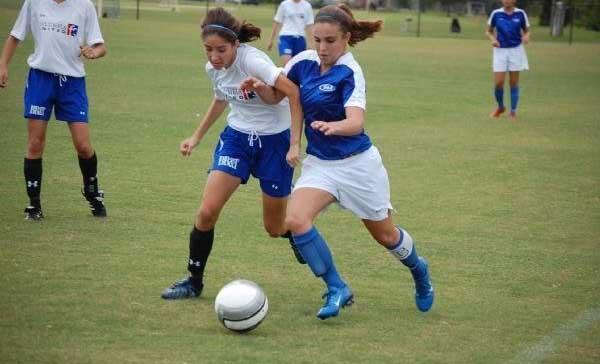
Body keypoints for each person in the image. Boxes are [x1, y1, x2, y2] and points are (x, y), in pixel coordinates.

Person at [248, 4, 434, 320]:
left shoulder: (350, 71)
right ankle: (337, 287)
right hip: (320, 165)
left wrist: (334, 127)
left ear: (346, 38)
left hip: (358, 165)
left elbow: (356, 122)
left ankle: (419, 269)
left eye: (329, 41)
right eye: (317, 39)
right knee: (295, 220)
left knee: (386, 237)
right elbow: (276, 96)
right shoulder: (303, 61)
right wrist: (256, 89)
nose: (321, 48)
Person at [161, 7, 304, 300]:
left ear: (236, 44)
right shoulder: (212, 69)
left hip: (274, 142)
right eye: (208, 50)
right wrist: (196, 136)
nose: (214, 57)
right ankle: (193, 281)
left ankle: (298, 234)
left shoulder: (255, 61)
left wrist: (293, 142)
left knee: (274, 227)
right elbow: (221, 99)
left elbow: (293, 93)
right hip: (237, 140)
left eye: (221, 50)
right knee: (207, 211)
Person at [0, 0, 108, 220]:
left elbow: (101, 46)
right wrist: (2, 65)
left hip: (73, 83)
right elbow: (15, 35)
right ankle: (34, 204)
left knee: (83, 145)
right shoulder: (34, 2)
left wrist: (93, 53)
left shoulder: (84, 6)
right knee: (35, 142)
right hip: (41, 79)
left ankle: (92, 191)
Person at [486, 0, 530, 119]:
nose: (507, 1)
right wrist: (493, 39)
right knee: (499, 83)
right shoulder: (496, 13)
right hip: (500, 51)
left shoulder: (521, 13)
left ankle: (513, 112)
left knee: (513, 83)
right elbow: (488, 31)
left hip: (516, 50)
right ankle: (500, 107)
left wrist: (526, 37)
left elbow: (527, 31)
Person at [267, 0, 314, 65]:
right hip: (285, 37)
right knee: (288, 64)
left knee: (297, 67)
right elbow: (277, 22)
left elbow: (310, 26)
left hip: (300, 39)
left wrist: (311, 44)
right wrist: (271, 40)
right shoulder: (284, 4)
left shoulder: (307, 6)